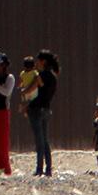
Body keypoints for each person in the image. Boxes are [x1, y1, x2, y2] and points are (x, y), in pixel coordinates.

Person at [28, 50, 60, 178]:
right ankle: (48, 169)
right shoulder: (53, 76)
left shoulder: (41, 75)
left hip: (36, 109)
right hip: (46, 109)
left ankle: (39, 168)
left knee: (39, 140)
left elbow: (32, 90)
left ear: (43, 61)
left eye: (39, 60)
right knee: (45, 140)